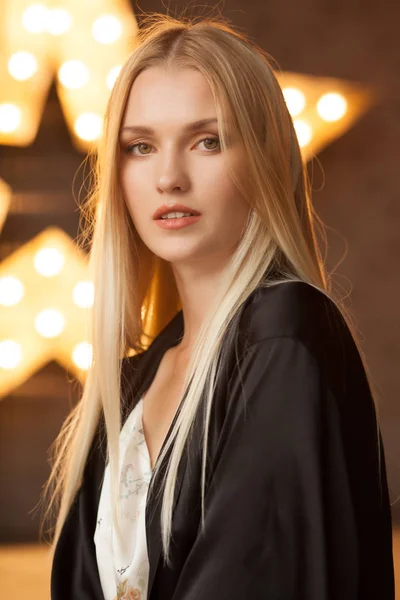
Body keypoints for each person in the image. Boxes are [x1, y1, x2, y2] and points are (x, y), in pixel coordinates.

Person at [41, 12, 395, 600]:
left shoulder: (286, 333)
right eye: (140, 146)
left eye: (208, 141)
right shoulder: (134, 379)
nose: (169, 177)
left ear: (264, 156)